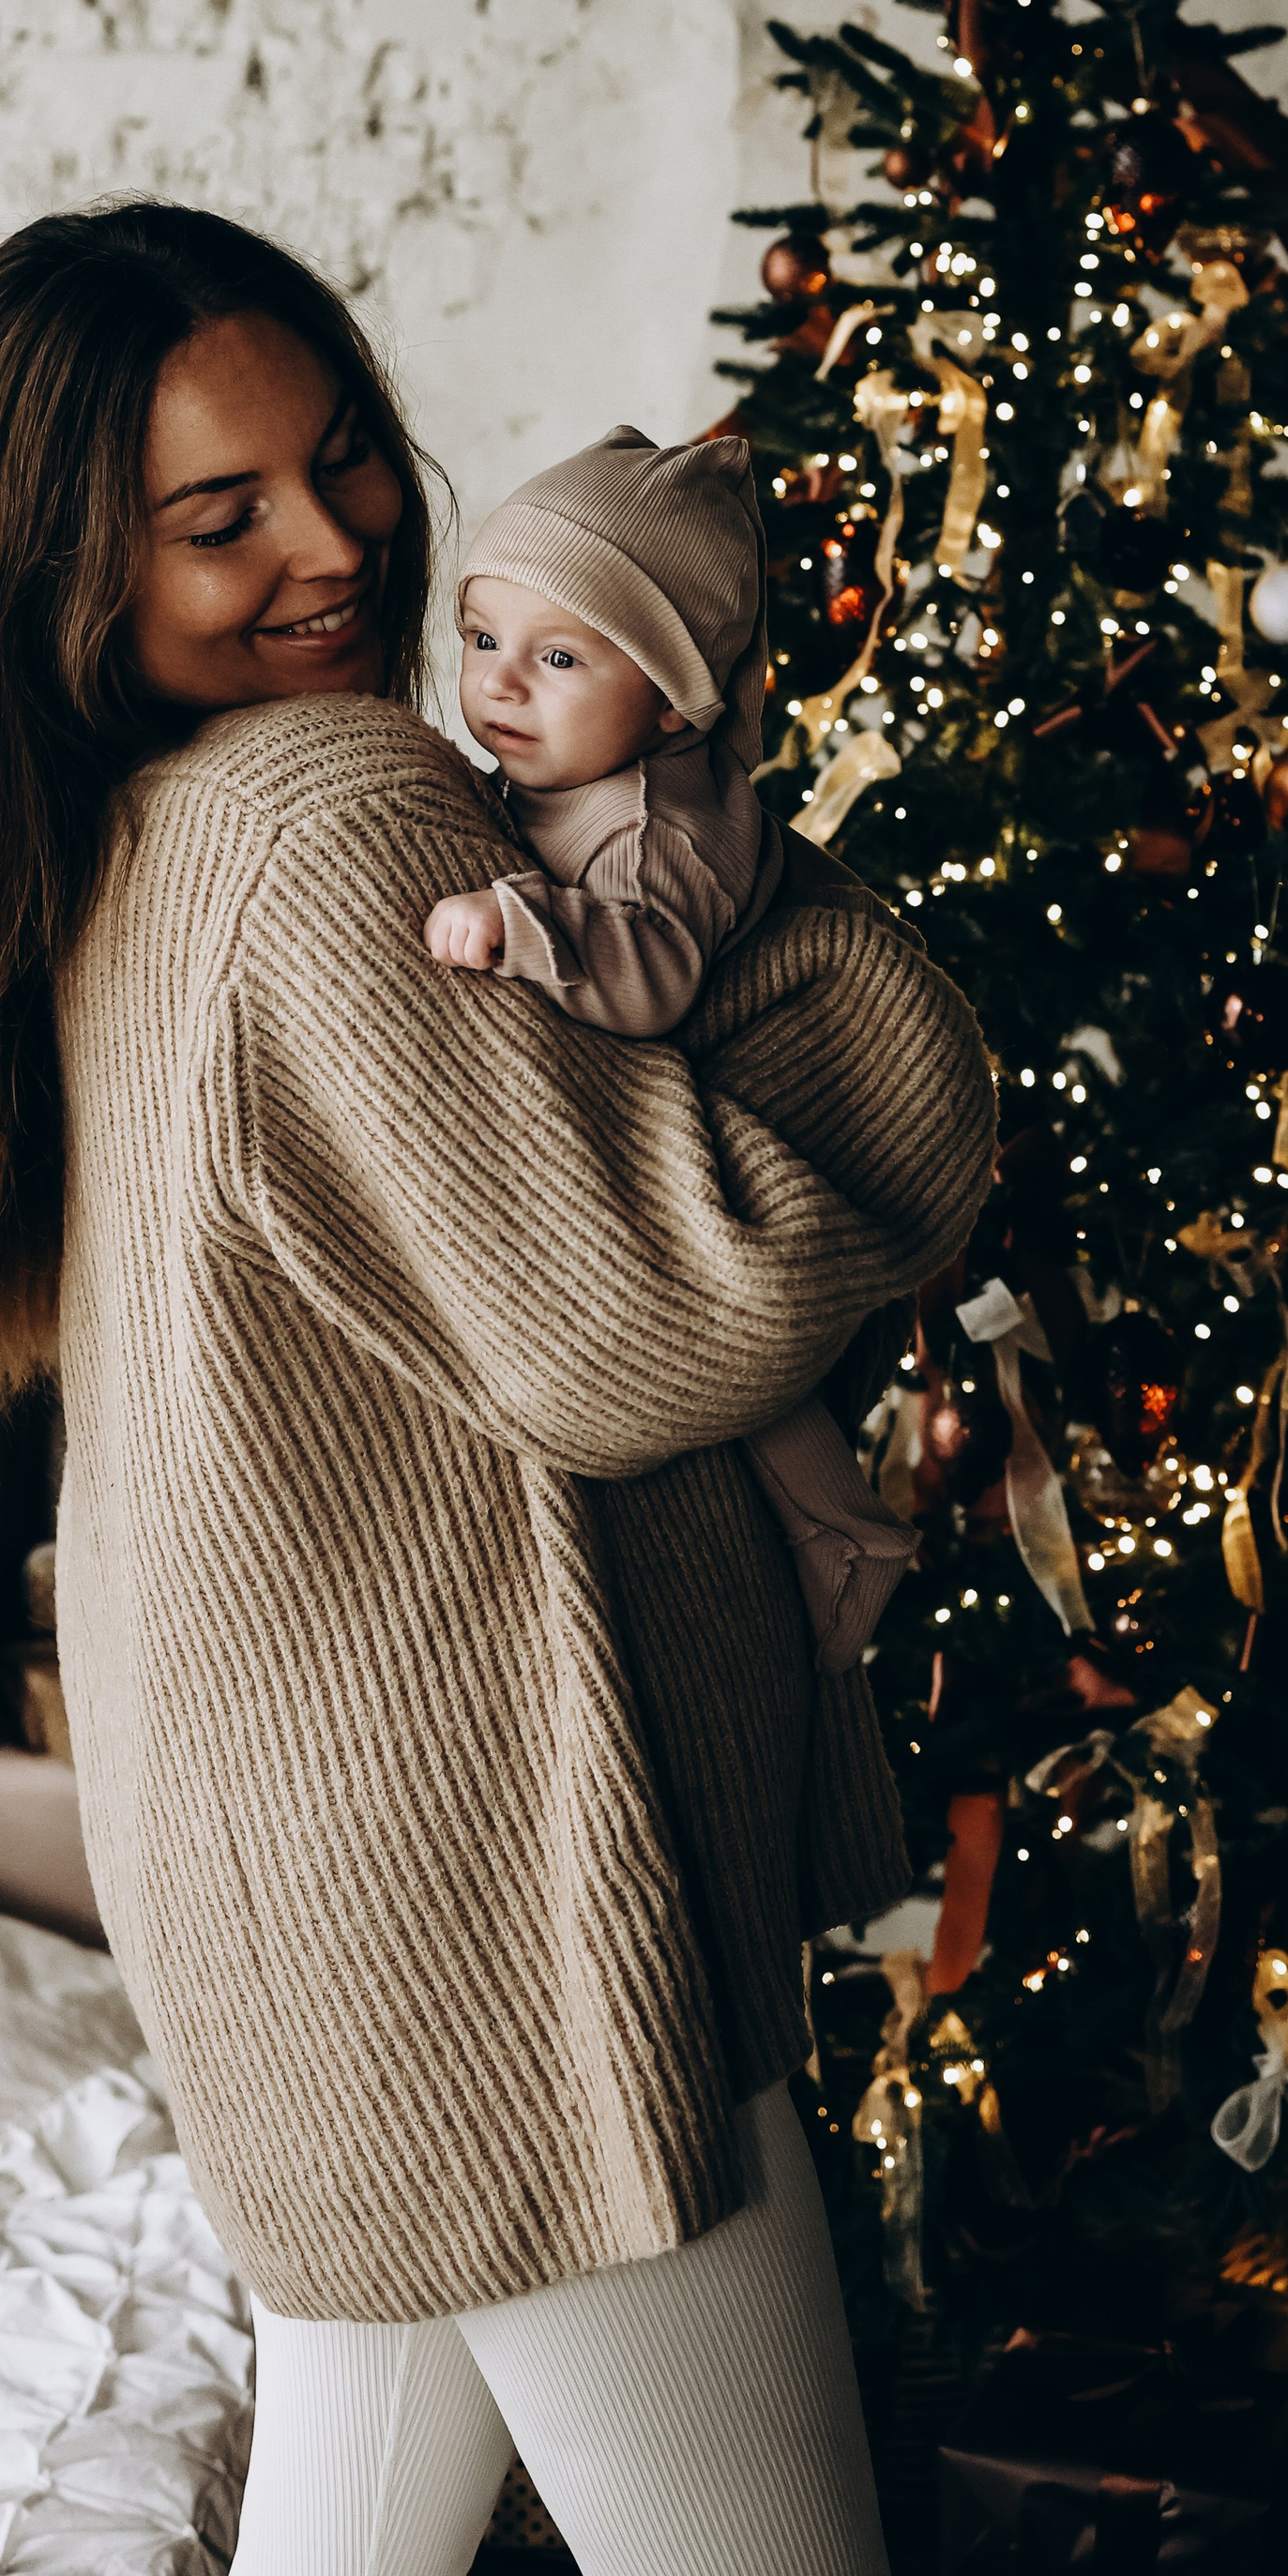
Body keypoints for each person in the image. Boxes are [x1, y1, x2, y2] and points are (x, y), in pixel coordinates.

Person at [0, 197, 996, 2576]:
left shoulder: (137, 828)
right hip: (497, 1911)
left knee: (340, 2560)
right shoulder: (334, 821)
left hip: (322, 1890)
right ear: (49, 575)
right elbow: (654, 1313)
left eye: (339, 462)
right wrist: (871, 1018)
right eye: (217, 516)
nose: (335, 546)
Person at [426, 422, 921, 1675]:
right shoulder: (576, 762)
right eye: (483, 640)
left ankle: (854, 1530)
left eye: (556, 658)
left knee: (749, 1377)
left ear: (670, 699)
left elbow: (650, 977)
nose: (499, 687)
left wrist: (518, 921)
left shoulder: (658, 831)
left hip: (741, 1086)